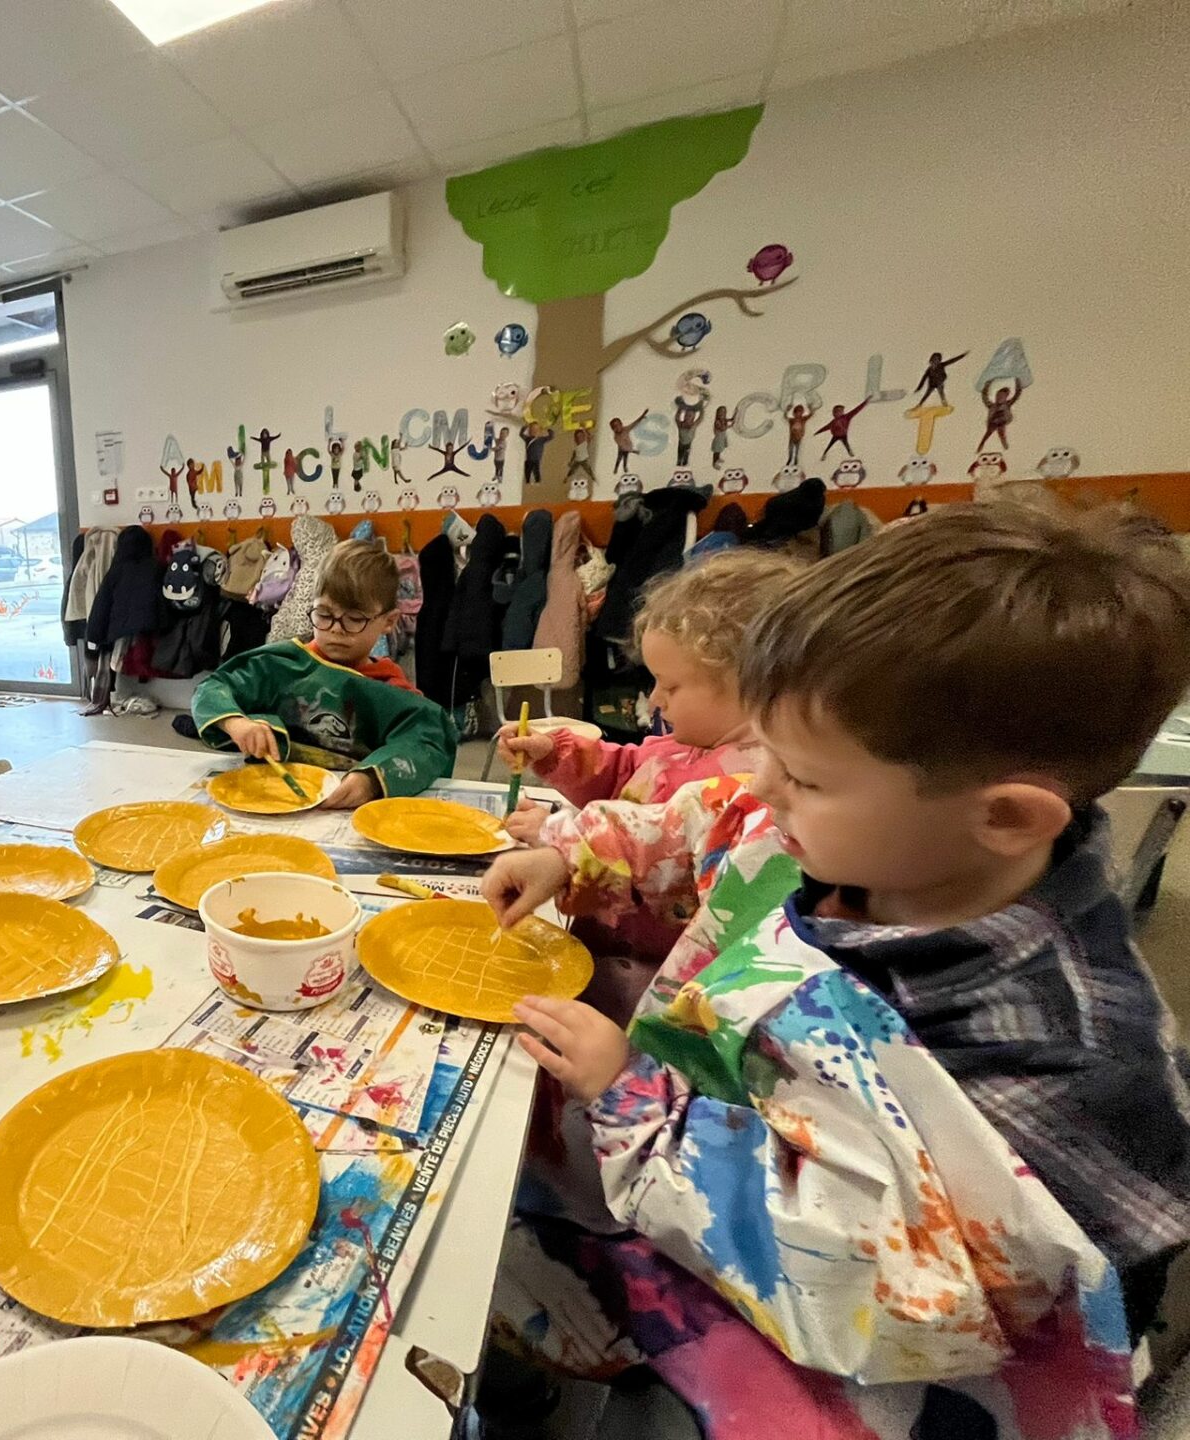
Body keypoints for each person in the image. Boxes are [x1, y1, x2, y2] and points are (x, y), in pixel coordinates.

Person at [481, 506, 1189, 1432]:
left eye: (804, 776)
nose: (758, 785)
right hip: (695, 1183)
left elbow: (874, 1287)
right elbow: (705, 825)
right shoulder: (873, 842)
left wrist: (635, 1098)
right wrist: (574, 854)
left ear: (1007, 817)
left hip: (840, 1369)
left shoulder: (1064, 1067)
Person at [494, 551, 802, 1010]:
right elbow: (625, 772)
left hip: (650, 978)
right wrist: (556, 753)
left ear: (754, 686)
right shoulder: (682, 743)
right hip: (600, 941)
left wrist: (551, 832)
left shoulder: (756, 784)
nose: (655, 700)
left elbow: (663, 850)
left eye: (670, 686)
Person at [192, 539, 457, 807]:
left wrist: (371, 781)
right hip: (271, 796)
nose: (336, 629)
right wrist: (237, 723)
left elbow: (426, 741)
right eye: (324, 614)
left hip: (350, 806)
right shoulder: (279, 664)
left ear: (389, 621)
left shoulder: (392, 690)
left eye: (354, 619)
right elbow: (213, 689)